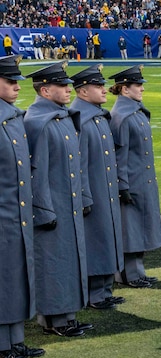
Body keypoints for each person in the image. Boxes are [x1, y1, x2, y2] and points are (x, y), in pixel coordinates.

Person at [24, 61, 91, 338]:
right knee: (52, 262)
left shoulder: (61, 117)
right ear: (44, 90)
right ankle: (53, 319)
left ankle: (67, 314)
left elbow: (77, 165)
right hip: (52, 206)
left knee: (69, 260)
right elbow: (36, 171)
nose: (68, 90)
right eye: (61, 86)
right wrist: (43, 209)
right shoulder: (38, 121)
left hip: (69, 203)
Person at [70, 65, 125, 311]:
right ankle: (94, 293)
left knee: (107, 237)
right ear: (83, 92)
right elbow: (77, 162)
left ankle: (104, 290)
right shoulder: (80, 118)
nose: (104, 90)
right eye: (98, 86)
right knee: (96, 241)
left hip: (106, 189)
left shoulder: (97, 114)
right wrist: (84, 195)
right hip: (92, 190)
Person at [0, 55, 43, 358]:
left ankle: (15, 339)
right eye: (10, 81)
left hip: (16, 214)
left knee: (16, 278)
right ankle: (3, 346)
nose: (17, 86)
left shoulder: (13, 117)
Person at [109, 66, 161, 289]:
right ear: (124, 89)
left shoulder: (135, 111)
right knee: (130, 230)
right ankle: (128, 275)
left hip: (142, 179)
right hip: (131, 181)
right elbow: (119, 155)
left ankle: (136, 271)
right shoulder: (122, 116)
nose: (142, 88)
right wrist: (122, 185)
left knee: (140, 227)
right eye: (137, 85)